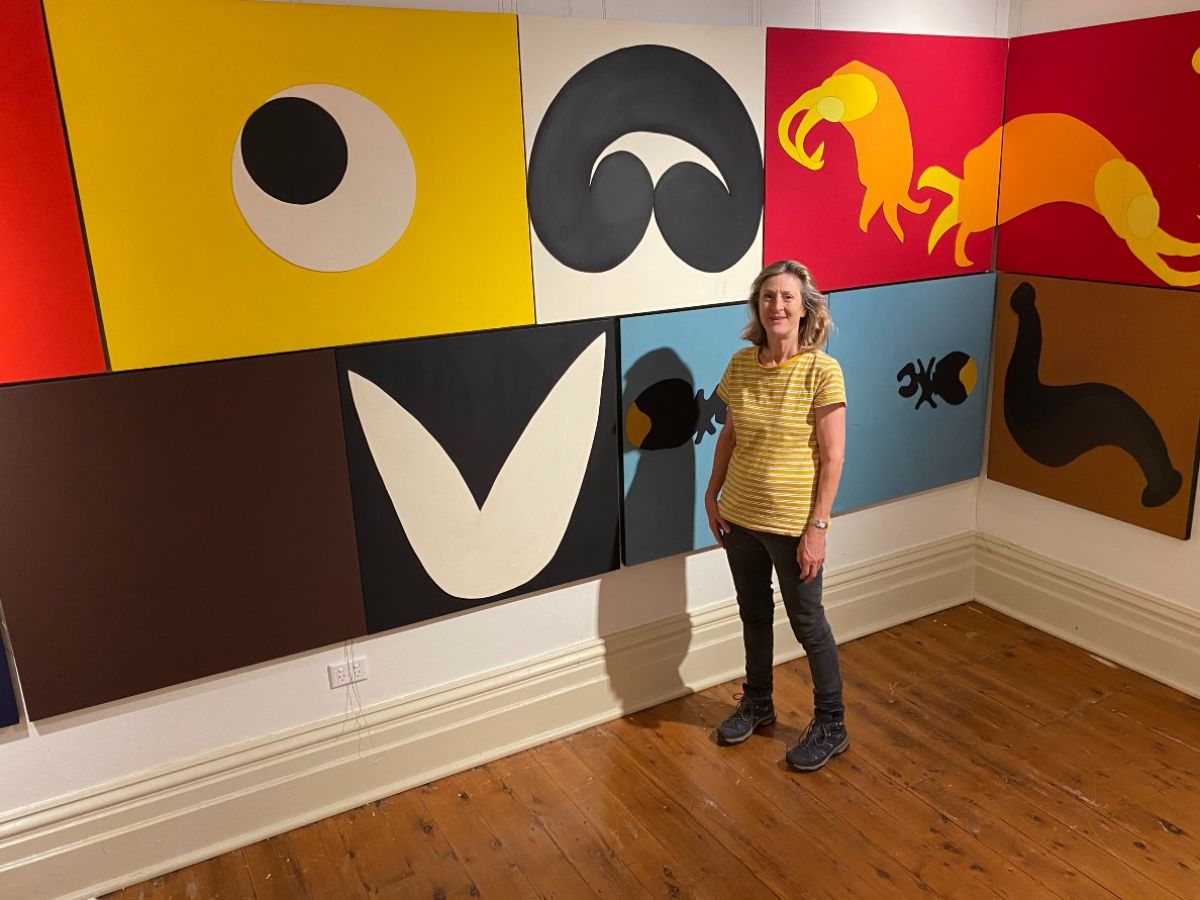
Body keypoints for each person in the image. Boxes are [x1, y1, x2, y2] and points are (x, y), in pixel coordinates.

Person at [704, 259, 848, 772]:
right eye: (768, 297)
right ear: (757, 306)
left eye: (787, 297)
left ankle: (832, 725)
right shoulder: (742, 364)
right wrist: (713, 491)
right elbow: (730, 432)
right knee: (753, 612)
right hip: (741, 516)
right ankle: (758, 702)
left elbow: (833, 459)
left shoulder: (821, 371)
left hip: (793, 528)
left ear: (805, 306)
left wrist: (818, 528)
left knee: (809, 623)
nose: (777, 306)